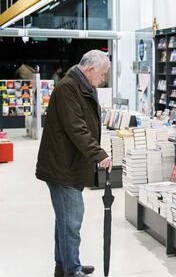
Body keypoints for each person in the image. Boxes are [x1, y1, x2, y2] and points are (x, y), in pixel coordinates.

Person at [36, 50, 112, 277]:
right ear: (90, 69)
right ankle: (72, 270)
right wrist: (98, 154)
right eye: (102, 74)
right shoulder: (69, 88)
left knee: (65, 220)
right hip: (63, 166)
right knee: (71, 221)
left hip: (69, 164)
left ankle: (66, 265)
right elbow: (76, 127)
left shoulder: (81, 86)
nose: (103, 79)